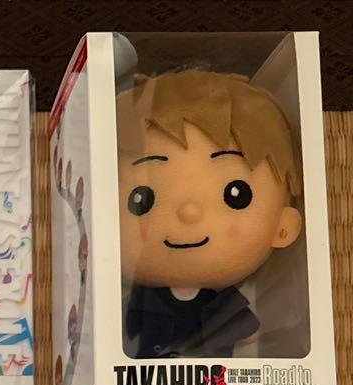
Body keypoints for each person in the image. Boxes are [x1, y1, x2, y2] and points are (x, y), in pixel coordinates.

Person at [117, 70, 302, 358]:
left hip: (214, 380)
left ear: (282, 226)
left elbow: (246, 329)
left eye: (235, 195)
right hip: (146, 379)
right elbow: (125, 326)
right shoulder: (143, 299)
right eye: (142, 198)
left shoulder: (221, 302)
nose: (189, 212)